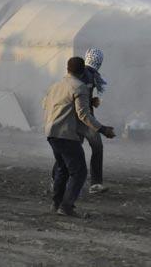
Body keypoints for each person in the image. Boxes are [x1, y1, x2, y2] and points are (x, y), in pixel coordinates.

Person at [42, 57, 115, 217]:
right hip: (66, 134)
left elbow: (44, 105)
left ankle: (56, 204)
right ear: (83, 70)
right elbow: (84, 115)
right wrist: (103, 129)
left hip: (51, 133)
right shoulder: (80, 87)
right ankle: (67, 206)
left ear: (67, 69)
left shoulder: (55, 86)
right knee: (79, 172)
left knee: (62, 168)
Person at [82, 48, 109, 193]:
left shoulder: (90, 75)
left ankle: (57, 180)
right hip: (83, 118)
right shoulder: (86, 75)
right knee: (96, 148)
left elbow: (81, 96)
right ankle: (95, 183)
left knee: (73, 150)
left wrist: (91, 101)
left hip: (84, 117)